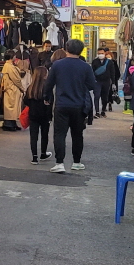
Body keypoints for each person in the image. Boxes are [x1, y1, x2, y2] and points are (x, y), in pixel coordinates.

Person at [44, 38, 101, 173]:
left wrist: (47, 97)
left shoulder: (57, 65)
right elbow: (92, 85)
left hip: (61, 104)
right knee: (77, 135)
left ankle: (59, 163)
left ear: (66, 49)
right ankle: (76, 162)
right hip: (79, 105)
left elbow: (49, 84)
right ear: (81, 51)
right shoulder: (85, 67)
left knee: (59, 134)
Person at [23, 66, 53, 164]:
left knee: (33, 136)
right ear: (44, 75)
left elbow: (25, 101)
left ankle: (34, 157)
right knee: (44, 135)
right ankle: (43, 153)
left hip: (33, 115)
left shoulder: (30, 88)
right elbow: (51, 102)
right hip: (45, 115)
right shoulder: (47, 88)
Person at [1, 54, 28, 131]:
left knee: (12, 107)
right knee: (11, 107)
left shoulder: (8, 66)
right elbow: (16, 79)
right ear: (11, 57)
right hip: (12, 89)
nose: (15, 57)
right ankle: (9, 124)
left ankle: (12, 123)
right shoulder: (9, 67)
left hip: (10, 89)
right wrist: (22, 88)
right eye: (14, 56)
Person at [91, 48, 119, 116]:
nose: (100, 55)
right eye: (99, 53)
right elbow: (92, 71)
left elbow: (112, 72)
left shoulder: (109, 62)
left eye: (102, 53)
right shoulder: (95, 61)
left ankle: (103, 110)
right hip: (97, 81)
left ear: (104, 53)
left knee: (105, 97)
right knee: (97, 96)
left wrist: (113, 83)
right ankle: (97, 112)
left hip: (106, 82)